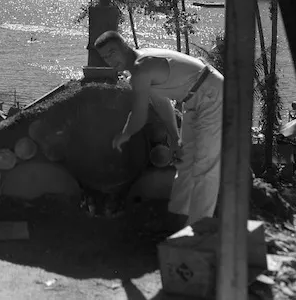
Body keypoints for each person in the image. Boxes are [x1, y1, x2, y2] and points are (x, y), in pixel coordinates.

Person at [93, 30, 224, 230]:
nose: (110, 60)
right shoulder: (139, 70)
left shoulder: (142, 68)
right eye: (105, 57)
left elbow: (138, 116)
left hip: (214, 93)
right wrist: (174, 137)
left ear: (124, 46)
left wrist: (124, 135)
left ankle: (200, 229)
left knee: (205, 166)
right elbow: (162, 104)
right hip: (194, 99)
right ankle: (179, 220)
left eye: (112, 53)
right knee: (185, 160)